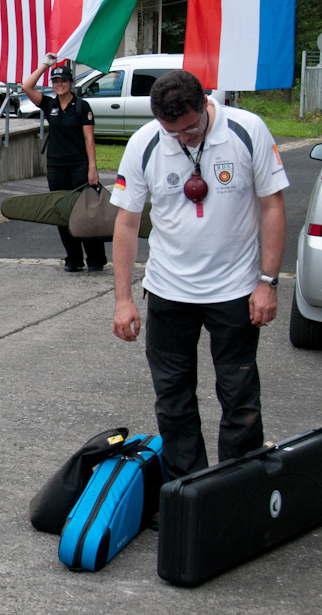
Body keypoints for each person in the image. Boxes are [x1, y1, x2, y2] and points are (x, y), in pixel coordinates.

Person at [110, 69, 288, 479]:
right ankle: (188, 492)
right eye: (173, 133)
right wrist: (123, 299)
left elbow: (273, 207)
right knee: (173, 401)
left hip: (236, 292)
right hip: (169, 292)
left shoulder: (247, 130)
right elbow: (125, 222)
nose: (183, 139)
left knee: (239, 398)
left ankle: (237, 488)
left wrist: (268, 282)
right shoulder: (145, 143)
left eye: (191, 129)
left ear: (206, 102)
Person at [21, 56, 106, 272]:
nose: (59, 84)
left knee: (85, 212)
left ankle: (95, 259)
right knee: (61, 213)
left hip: (79, 165)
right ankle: (73, 258)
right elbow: (26, 86)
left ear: (70, 83)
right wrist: (45, 65)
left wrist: (92, 168)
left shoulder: (81, 106)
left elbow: (89, 139)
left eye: (63, 81)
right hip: (56, 167)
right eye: (55, 81)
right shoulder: (50, 105)